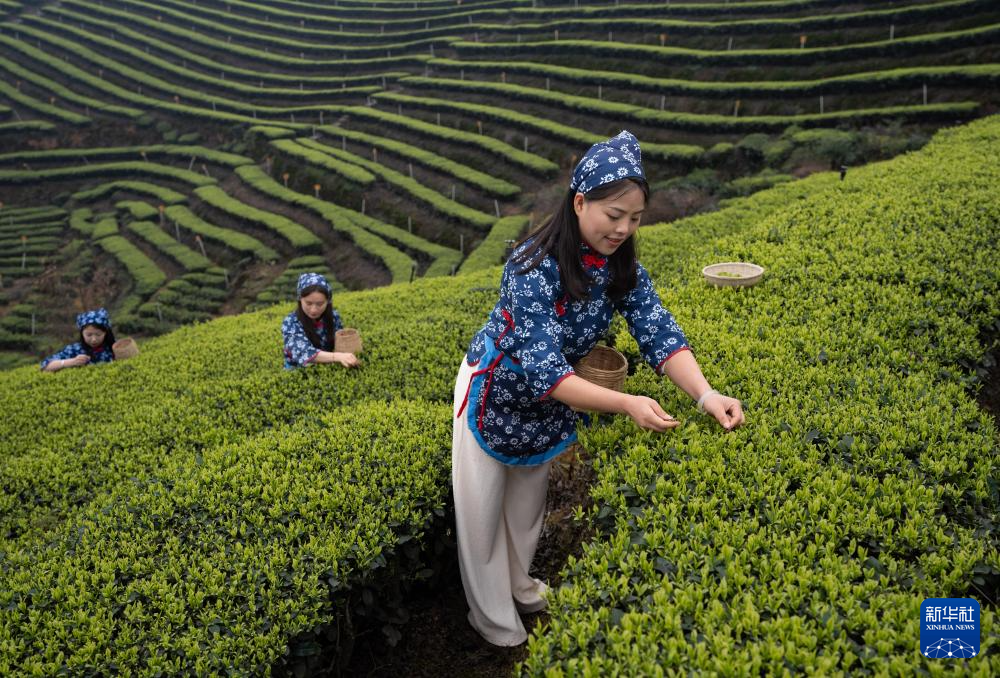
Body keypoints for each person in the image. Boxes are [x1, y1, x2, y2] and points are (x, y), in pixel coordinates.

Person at [452, 130, 746, 646]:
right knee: (481, 516)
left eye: (635, 219)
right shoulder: (529, 266)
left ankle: (521, 587)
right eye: (615, 216)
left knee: (526, 508)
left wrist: (706, 394)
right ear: (580, 201)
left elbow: (660, 333)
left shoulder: (621, 268)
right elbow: (546, 370)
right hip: (494, 391)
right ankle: (494, 622)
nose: (624, 229)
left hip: (552, 401)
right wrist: (627, 402)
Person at [282, 272, 359, 369]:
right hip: (300, 373)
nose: (313, 310)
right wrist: (338, 356)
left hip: (328, 369)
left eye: (320, 304)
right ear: (300, 299)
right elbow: (303, 351)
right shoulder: (290, 322)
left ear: (328, 301)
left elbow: (339, 342)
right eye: (308, 303)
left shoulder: (334, 316)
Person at [41, 307, 116, 372]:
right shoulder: (74, 350)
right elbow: (46, 366)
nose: (94, 339)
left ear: (105, 333)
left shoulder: (113, 348)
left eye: (98, 335)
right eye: (89, 335)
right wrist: (72, 362)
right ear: (82, 333)